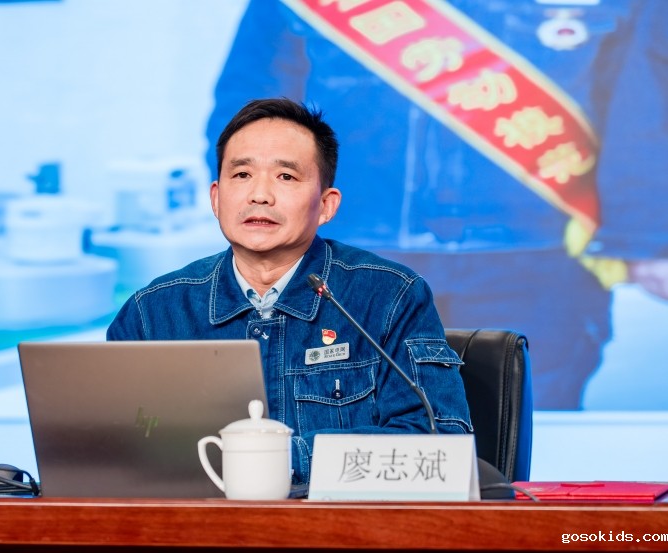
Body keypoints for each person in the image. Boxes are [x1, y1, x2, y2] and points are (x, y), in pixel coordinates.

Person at [205, 0, 668, 410]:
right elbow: (251, 109)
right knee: (337, 435)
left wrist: (643, 237)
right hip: (349, 259)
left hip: (536, 261)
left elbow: (643, 104)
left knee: (519, 444)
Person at [107, 98, 472, 486]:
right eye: (242, 174)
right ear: (216, 198)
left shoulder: (389, 297)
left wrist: (271, 459)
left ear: (326, 205)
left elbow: (440, 442)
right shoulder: (153, 311)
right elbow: (110, 451)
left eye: (285, 176)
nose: (260, 195)